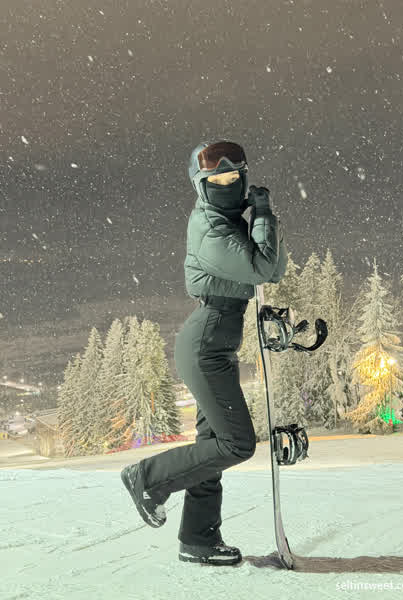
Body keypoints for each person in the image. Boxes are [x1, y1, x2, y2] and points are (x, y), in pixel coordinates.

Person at [121, 140, 287, 566]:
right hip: (205, 345)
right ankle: (147, 478)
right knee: (236, 444)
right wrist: (262, 216)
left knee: (212, 444)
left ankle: (198, 538)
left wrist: (260, 218)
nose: (228, 185)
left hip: (216, 344)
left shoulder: (227, 221)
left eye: (234, 177)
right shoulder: (211, 228)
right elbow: (263, 267)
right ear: (202, 185)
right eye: (218, 179)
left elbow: (273, 267)